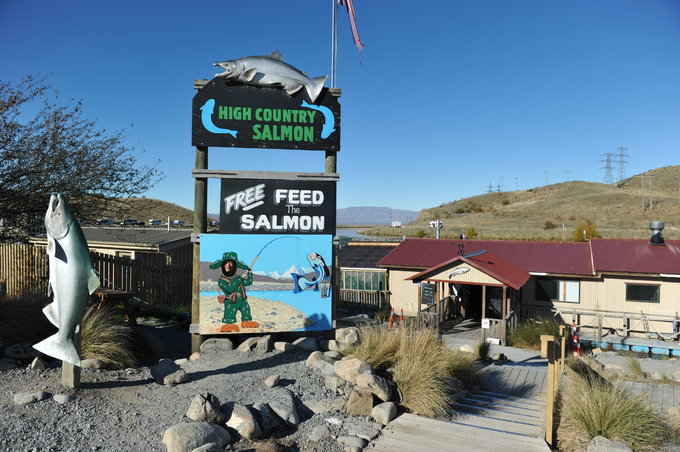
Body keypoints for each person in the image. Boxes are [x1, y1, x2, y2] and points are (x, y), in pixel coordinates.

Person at [209, 251, 258, 332]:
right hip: (231, 301)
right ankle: (229, 324)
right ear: (222, 266)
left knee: (246, 309)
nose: (228, 266)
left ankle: (246, 321)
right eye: (226, 264)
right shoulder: (222, 281)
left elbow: (248, 282)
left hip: (242, 300)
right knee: (230, 313)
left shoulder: (237, 278)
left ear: (235, 266)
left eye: (231, 264)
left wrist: (249, 274)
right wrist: (240, 278)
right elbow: (230, 288)